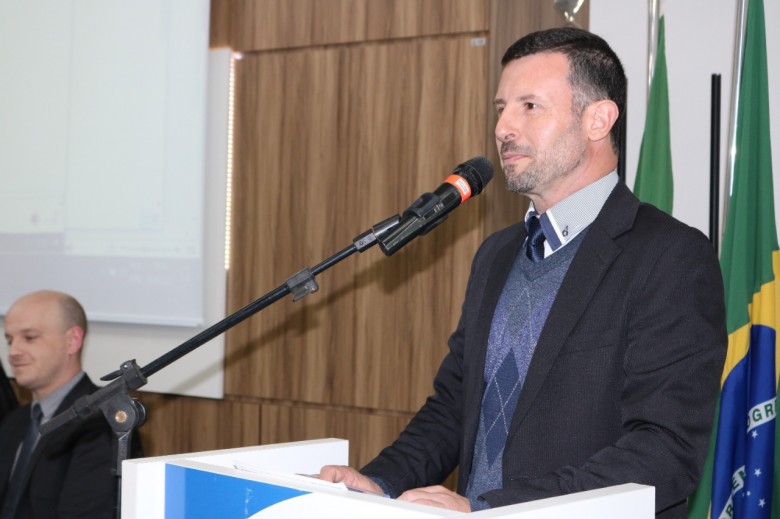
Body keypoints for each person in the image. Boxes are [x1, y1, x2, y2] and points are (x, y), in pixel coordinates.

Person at [319, 27, 727, 518]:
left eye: (529, 106)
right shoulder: (496, 254)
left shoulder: (669, 257)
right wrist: (382, 481)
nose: (503, 128)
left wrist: (490, 508)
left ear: (598, 119)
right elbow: (455, 407)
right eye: (501, 108)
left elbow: (662, 452)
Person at [0, 290, 143, 518]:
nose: (13, 352)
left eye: (30, 337)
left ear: (72, 340)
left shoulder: (102, 425)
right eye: (9, 340)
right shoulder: (15, 420)